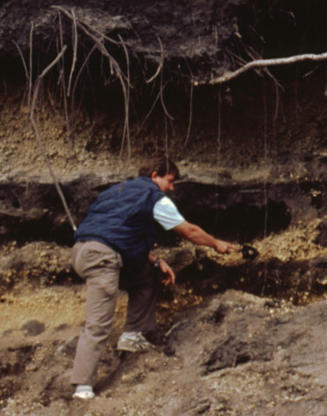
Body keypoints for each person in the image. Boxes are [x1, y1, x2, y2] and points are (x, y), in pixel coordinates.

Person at [69, 154, 237, 399]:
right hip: (101, 259)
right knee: (98, 323)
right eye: (169, 181)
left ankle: (132, 336)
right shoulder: (154, 198)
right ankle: (82, 386)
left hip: (83, 252)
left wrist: (155, 260)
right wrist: (216, 244)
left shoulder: (115, 191)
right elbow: (189, 231)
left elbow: (115, 232)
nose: (171, 188)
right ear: (154, 176)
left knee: (147, 275)